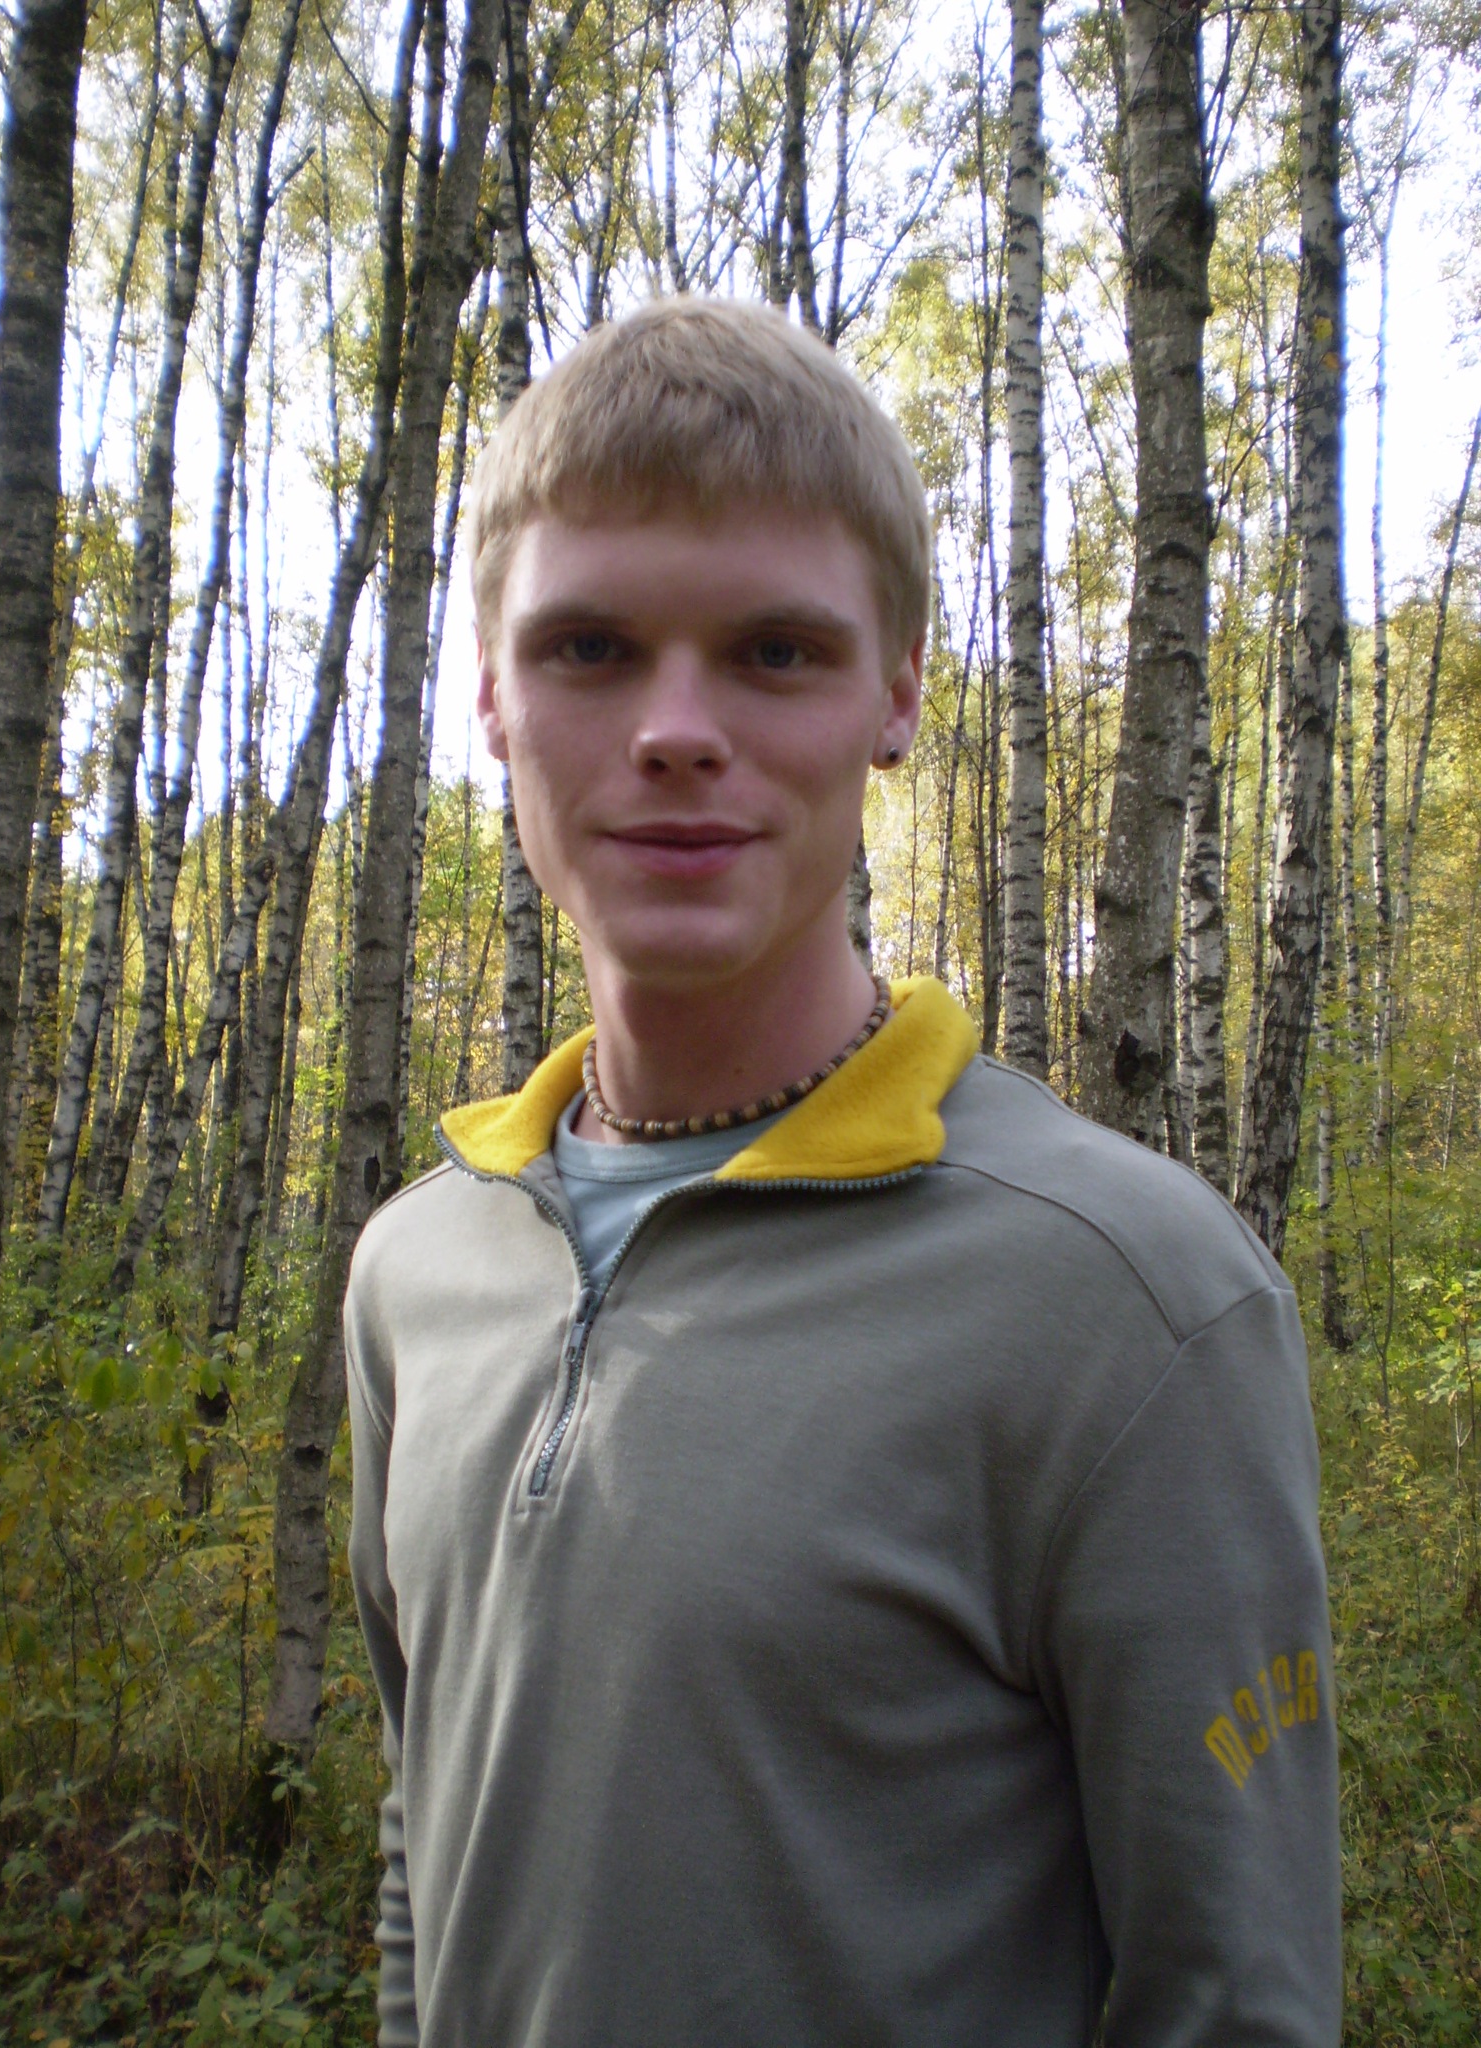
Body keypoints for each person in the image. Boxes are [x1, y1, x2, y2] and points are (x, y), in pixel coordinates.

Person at [345, 298, 1340, 2048]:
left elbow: (1237, 1998)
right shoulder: (419, 1269)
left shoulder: (1128, 1298)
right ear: (491, 696)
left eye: (775, 652)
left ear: (896, 695)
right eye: (590, 647)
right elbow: (432, 1831)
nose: (675, 729)